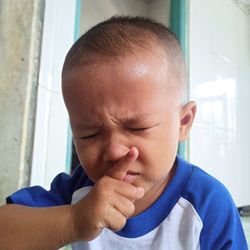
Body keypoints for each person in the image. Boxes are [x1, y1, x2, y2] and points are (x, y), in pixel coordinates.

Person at [0, 16, 247, 250]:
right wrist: (73, 221)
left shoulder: (207, 204)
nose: (114, 150)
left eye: (136, 128)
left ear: (183, 122)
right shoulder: (80, 192)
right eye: (89, 134)